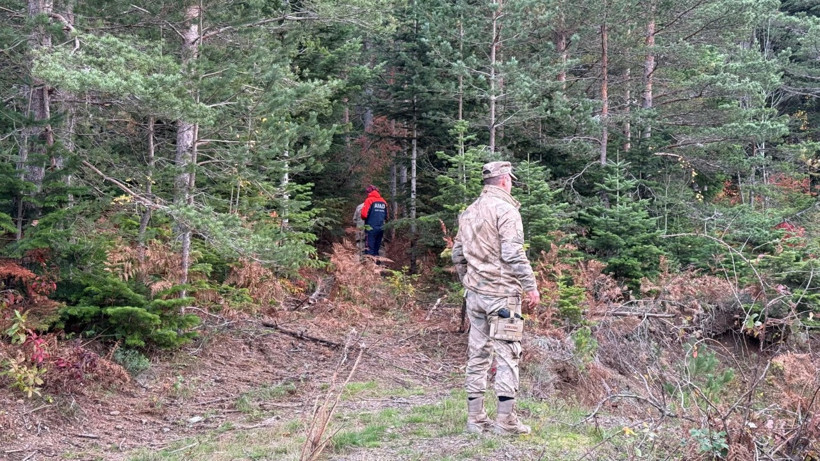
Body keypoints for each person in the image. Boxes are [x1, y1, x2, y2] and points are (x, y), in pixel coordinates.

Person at [451, 161, 540, 436]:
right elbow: (513, 253)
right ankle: (506, 421)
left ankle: (475, 418)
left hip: (475, 295)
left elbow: (457, 253)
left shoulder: (469, 211)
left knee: (477, 355)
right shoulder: (507, 210)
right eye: (510, 179)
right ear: (504, 181)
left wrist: (468, 279)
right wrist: (531, 286)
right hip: (502, 296)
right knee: (507, 354)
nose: (511, 183)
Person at [360, 185, 388, 257]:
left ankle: (370, 265)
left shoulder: (369, 200)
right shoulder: (383, 201)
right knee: (377, 248)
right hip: (381, 227)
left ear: (369, 192)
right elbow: (386, 216)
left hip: (370, 227)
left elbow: (364, 215)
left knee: (369, 248)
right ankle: (377, 265)